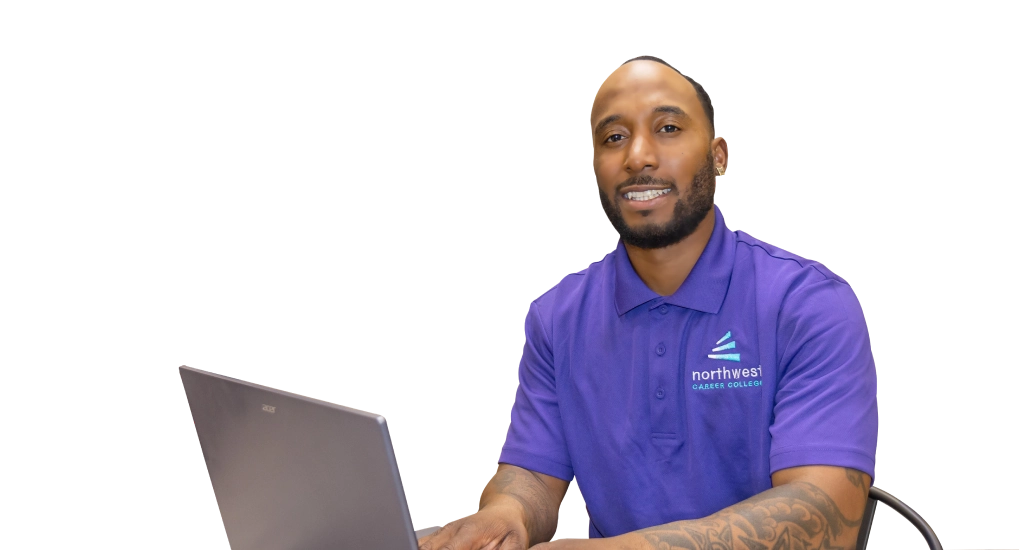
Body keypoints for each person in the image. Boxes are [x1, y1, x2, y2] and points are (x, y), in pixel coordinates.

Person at [418, 55, 878, 550]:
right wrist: (506, 515)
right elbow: (533, 474)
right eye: (613, 137)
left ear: (719, 156)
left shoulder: (807, 305)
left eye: (668, 128)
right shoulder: (557, 318)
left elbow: (826, 518)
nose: (638, 156)